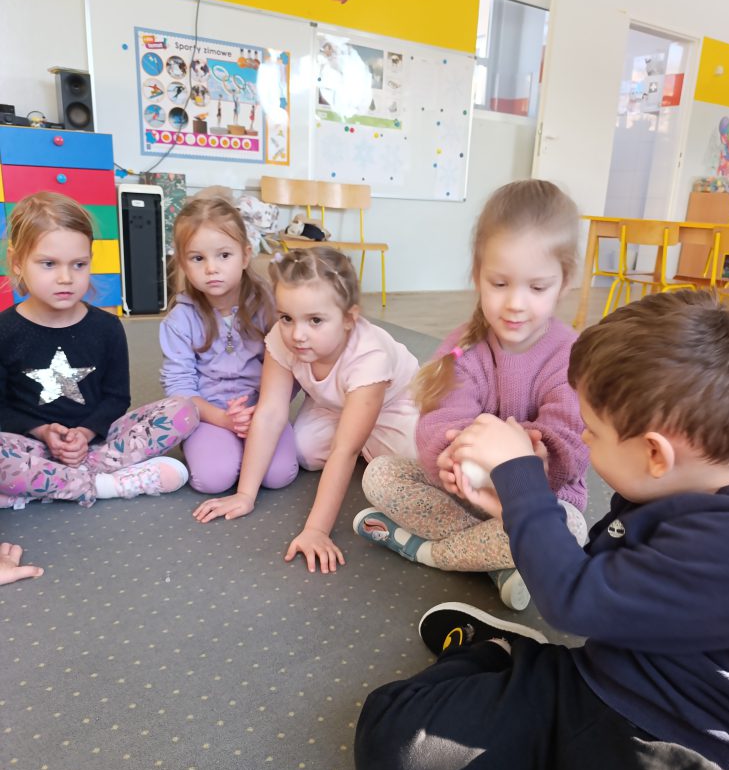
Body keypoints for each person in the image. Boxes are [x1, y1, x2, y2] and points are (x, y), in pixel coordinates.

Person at [354, 290, 729, 770]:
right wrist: (518, 507)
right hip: (584, 685)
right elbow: (596, 573)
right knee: (393, 754)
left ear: (656, 453)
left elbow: (575, 598)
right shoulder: (682, 479)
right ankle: (503, 652)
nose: (585, 444)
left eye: (592, 434)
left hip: (681, 749)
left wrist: (522, 479)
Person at [353, 180, 589, 610]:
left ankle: (429, 552)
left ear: (565, 281)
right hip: (465, 494)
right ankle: (498, 561)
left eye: (537, 288)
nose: (515, 303)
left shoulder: (569, 356)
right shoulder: (464, 346)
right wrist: (447, 459)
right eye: (499, 283)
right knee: (380, 474)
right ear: (478, 274)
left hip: (537, 502)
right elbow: (440, 420)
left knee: (572, 528)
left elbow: (570, 440)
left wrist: (533, 458)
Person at [193, 246, 420, 574]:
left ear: (349, 319)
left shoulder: (370, 356)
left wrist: (316, 530)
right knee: (304, 453)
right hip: (334, 403)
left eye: (315, 320)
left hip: (393, 404)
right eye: (286, 317)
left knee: (415, 462)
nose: (297, 335)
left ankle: (368, 437)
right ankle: (360, 434)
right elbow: (270, 413)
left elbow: (344, 450)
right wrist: (245, 494)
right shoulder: (282, 338)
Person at [0, 192, 197, 508]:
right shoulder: (5, 330)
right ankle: (104, 484)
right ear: (17, 262)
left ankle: (44, 484)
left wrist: (86, 433)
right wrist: (42, 431)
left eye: (79, 264)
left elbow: (116, 398)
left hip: (100, 444)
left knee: (184, 409)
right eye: (49, 264)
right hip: (31, 447)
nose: (66, 278)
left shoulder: (107, 327)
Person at [160, 195, 298, 494]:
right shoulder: (179, 320)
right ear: (182, 263)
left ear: (245, 256)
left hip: (264, 411)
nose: (212, 268)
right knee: (213, 480)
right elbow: (179, 388)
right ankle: (202, 443)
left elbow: (291, 366)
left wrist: (264, 411)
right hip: (209, 414)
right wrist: (222, 419)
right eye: (198, 258)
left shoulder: (270, 306)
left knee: (278, 475)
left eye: (224, 255)